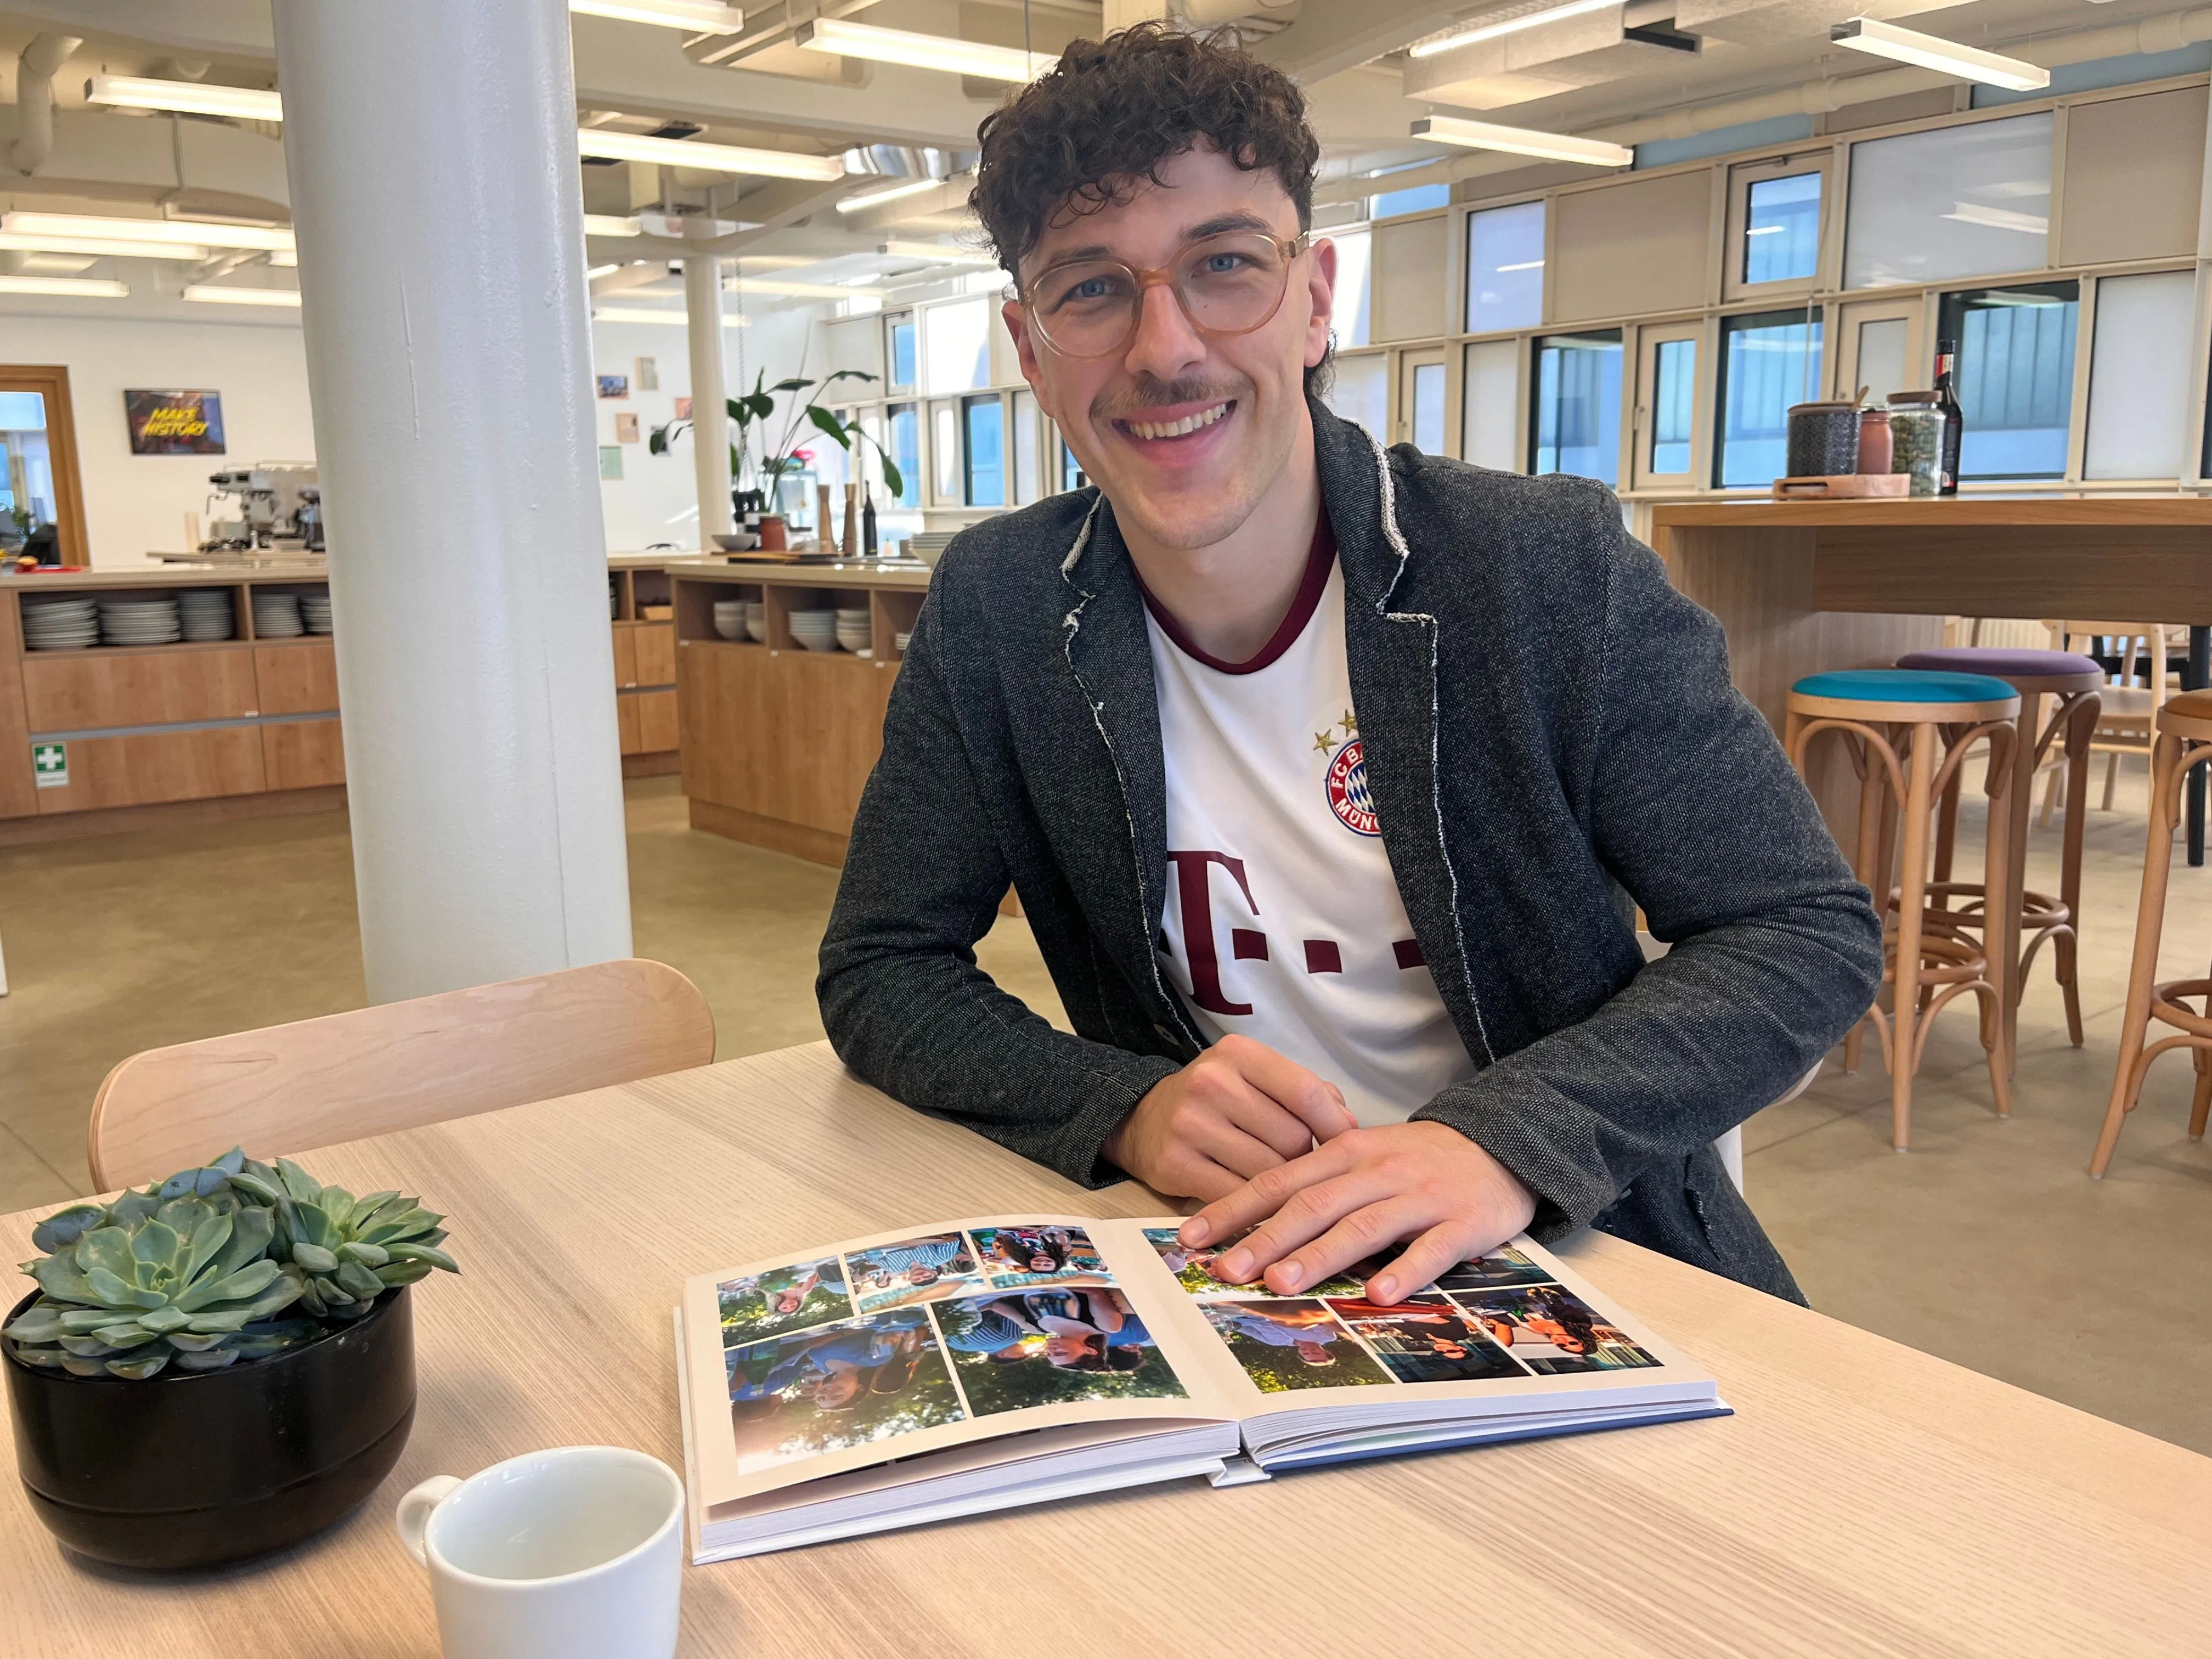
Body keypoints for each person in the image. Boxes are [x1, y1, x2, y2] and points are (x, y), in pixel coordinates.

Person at [816, 26, 1883, 1309]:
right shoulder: (1000, 610)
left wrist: (1501, 1141)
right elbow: (881, 968)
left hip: (1581, 1256)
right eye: (1090, 289)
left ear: (1316, 298)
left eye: (1224, 264)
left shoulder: (1542, 573)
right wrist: (1124, 1106)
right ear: (1032, 349)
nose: (1165, 348)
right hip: (1239, 1272)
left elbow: (1801, 932)